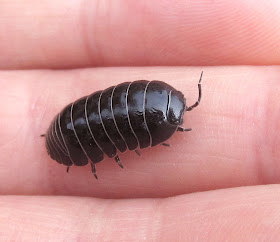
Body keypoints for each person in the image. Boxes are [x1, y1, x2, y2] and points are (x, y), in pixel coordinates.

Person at [1, 1, 280, 240]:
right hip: (69, 135)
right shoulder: (149, 107)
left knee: (111, 116)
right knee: (108, 118)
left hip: (76, 122)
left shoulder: (153, 96)